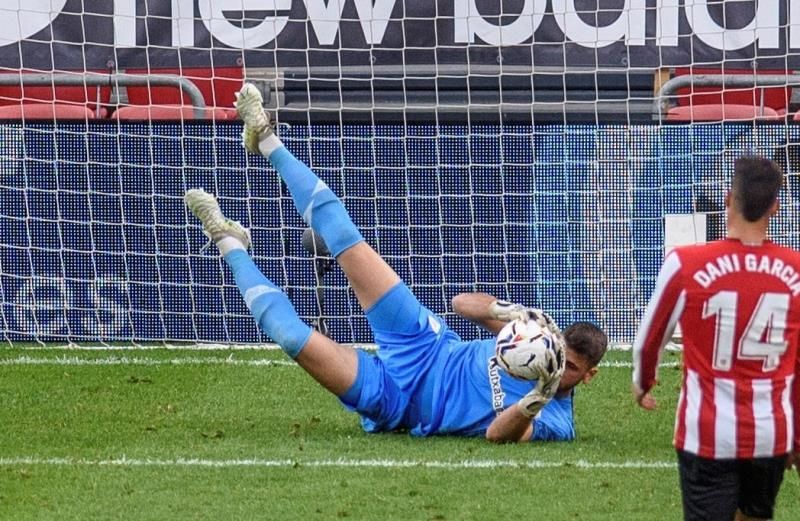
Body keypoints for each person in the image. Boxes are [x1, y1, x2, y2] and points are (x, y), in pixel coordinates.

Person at [184, 83, 607, 442]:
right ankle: (267, 139)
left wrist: (539, 395)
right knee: (348, 242)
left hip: (396, 401)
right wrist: (515, 315)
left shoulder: (556, 420)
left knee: (292, 338)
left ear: (588, 377)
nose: (556, 365)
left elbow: (499, 435)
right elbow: (462, 304)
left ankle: (228, 241)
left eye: (569, 368)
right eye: (559, 355)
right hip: (424, 345)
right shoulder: (531, 339)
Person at [632, 156, 800, 521]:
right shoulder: (795, 270)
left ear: (727, 199)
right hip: (770, 431)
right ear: (775, 206)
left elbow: (649, 339)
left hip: (707, 430)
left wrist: (643, 383)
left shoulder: (686, 263)